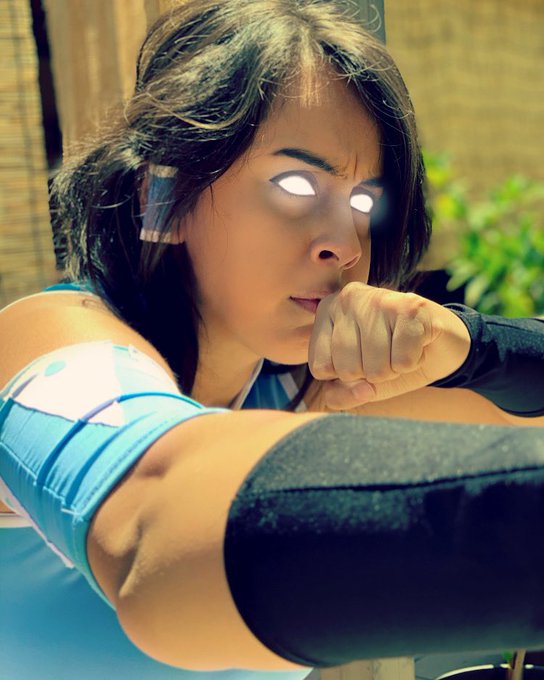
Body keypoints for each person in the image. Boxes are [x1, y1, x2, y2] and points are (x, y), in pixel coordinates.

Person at [1, 1, 543, 678]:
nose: (346, 244)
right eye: (294, 183)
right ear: (159, 198)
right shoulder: (44, 340)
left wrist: (471, 345)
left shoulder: (308, 386)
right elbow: (156, 533)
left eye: (363, 202)